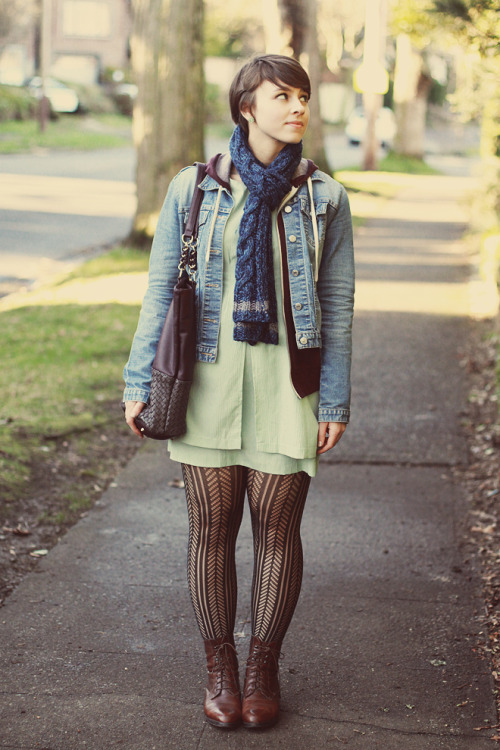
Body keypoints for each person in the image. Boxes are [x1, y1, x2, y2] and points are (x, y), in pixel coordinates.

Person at [123, 54, 354, 731]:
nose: (297, 107)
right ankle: (220, 665)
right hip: (208, 383)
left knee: (279, 531)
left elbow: (337, 306)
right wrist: (139, 383)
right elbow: (161, 289)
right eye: (281, 95)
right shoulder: (193, 189)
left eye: (303, 96)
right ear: (245, 106)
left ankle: (263, 667)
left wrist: (333, 400)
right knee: (212, 530)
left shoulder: (324, 198)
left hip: (289, 386)